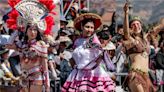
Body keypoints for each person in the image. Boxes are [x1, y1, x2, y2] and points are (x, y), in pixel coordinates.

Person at [62, 13, 116, 91]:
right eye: (87, 27)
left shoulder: (95, 40)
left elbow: (98, 58)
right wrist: (75, 66)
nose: (89, 29)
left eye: (92, 27)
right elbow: (73, 58)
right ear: (82, 27)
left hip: (93, 74)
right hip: (78, 74)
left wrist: (100, 56)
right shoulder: (77, 41)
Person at [122, 3, 157, 92]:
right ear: (131, 28)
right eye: (133, 25)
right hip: (135, 74)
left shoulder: (145, 40)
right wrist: (126, 14)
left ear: (141, 26)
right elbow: (126, 33)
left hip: (146, 75)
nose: (136, 26)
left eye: (138, 24)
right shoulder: (130, 40)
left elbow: (159, 27)